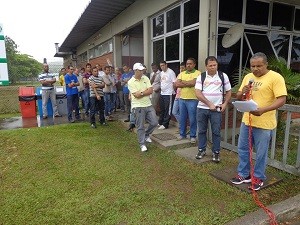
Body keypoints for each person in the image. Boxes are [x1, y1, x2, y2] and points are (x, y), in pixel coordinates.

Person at [230, 52, 287, 191]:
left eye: (259, 66)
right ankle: (244, 174)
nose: (255, 69)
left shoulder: (275, 77)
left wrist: (263, 110)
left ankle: (258, 177)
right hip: (247, 121)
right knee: (243, 148)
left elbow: (282, 99)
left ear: (266, 64)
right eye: (253, 66)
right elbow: (239, 96)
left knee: (261, 152)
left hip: (264, 123)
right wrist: (242, 92)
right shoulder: (248, 77)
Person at [195, 56, 232, 162]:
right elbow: (197, 93)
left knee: (216, 131)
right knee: (202, 131)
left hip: (216, 110)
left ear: (217, 65)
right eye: (210, 65)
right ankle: (201, 149)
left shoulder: (222, 76)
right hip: (202, 108)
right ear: (206, 66)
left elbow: (228, 91)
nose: (213, 67)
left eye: (214, 65)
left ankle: (216, 152)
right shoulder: (201, 77)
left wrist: (225, 104)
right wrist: (209, 103)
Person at [128, 63, 158, 152]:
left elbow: (151, 90)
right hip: (138, 106)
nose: (142, 72)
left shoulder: (145, 78)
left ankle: (146, 135)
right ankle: (142, 144)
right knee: (140, 126)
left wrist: (141, 93)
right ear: (135, 71)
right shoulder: (131, 82)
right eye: (140, 70)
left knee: (154, 122)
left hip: (148, 104)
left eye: (142, 70)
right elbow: (136, 96)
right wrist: (145, 92)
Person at [175, 58, 200, 143]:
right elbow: (177, 84)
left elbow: (193, 83)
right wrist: (188, 83)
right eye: (187, 64)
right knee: (182, 118)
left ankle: (192, 135)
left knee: (192, 119)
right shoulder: (182, 73)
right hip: (182, 99)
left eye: (190, 64)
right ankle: (182, 134)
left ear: (194, 64)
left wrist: (184, 83)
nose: (188, 65)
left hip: (193, 99)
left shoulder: (198, 73)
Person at [157, 61, 176, 130]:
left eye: (163, 65)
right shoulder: (161, 73)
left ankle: (165, 124)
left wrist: (172, 91)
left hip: (168, 93)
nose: (162, 67)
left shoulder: (171, 72)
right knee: (162, 109)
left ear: (166, 65)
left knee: (168, 109)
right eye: (161, 66)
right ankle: (161, 122)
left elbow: (174, 83)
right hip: (162, 93)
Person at [172, 62, 186, 132]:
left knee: (181, 113)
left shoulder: (187, 75)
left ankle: (182, 128)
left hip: (183, 97)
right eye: (180, 68)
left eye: (183, 68)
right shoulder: (179, 75)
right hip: (177, 96)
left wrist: (178, 84)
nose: (181, 69)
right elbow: (175, 84)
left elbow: (180, 84)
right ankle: (183, 126)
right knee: (174, 112)